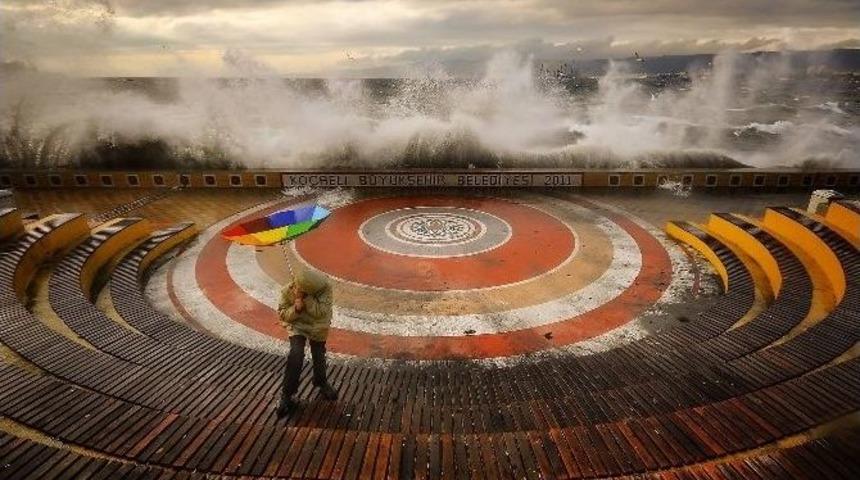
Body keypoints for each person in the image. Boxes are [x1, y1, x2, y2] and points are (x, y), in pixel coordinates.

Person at [276, 268, 338, 418]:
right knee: (296, 354)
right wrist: (296, 309)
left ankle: (320, 381)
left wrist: (306, 300)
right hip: (298, 325)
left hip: (318, 326)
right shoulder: (288, 290)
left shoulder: (325, 288)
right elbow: (282, 314)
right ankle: (287, 394)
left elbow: (320, 312)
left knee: (319, 354)